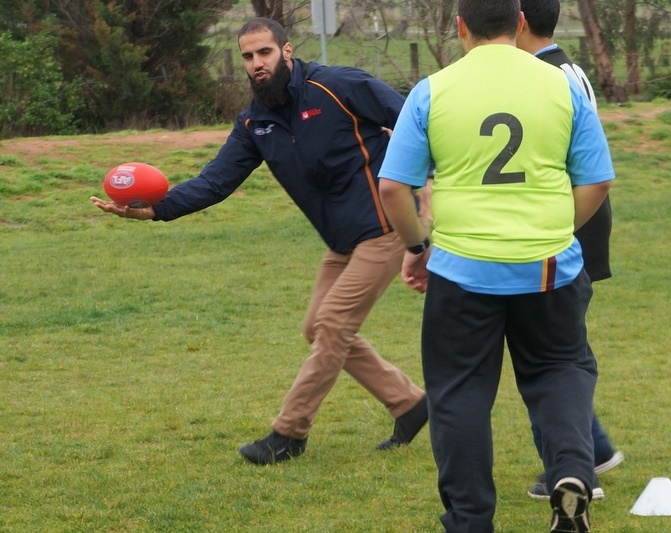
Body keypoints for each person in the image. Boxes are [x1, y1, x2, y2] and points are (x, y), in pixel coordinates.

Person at [90, 17, 428, 465]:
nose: (256, 63)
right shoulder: (255, 121)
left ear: (287, 51)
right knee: (319, 329)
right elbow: (215, 181)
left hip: (385, 228)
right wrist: (155, 208)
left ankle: (288, 434)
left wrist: (423, 192)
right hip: (341, 241)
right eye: (247, 57)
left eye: (264, 52)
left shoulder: (338, 86)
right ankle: (409, 402)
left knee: (331, 327)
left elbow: (413, 121)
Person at [378, 1, 614, 531]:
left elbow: (394, 186)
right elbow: (597, 180)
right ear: (520, 23)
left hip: (462, 270)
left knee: (460, 393)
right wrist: (554, 229)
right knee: (559, 370)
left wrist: (416, 248)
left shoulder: (433, 90)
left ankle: (469, 519)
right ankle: (572, 473)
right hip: (549, 266)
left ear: (460, 27)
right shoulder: (562, 85)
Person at [518, 0, 624, 501]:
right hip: (582, 215)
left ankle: (572, 467)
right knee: (561, 345)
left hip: (566, 221)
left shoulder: (543, 78)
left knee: (547, 350)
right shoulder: (567, 66)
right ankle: (594, 447)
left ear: (517, 21)